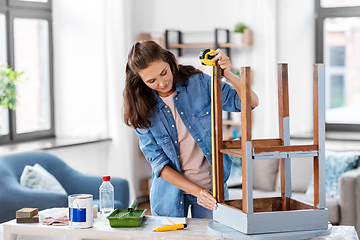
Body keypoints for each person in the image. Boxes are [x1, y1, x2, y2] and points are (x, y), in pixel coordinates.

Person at [123, 40, 259, 219]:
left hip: (213, 192)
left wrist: (229, 74)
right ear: (140, 80)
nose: (162, 82)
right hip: (168, 196)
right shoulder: (140, 109)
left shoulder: (198, 83)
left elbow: (251, 103)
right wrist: (197, 191)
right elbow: (160, 164)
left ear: (169, 62)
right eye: (151, 81)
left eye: (164, 73)